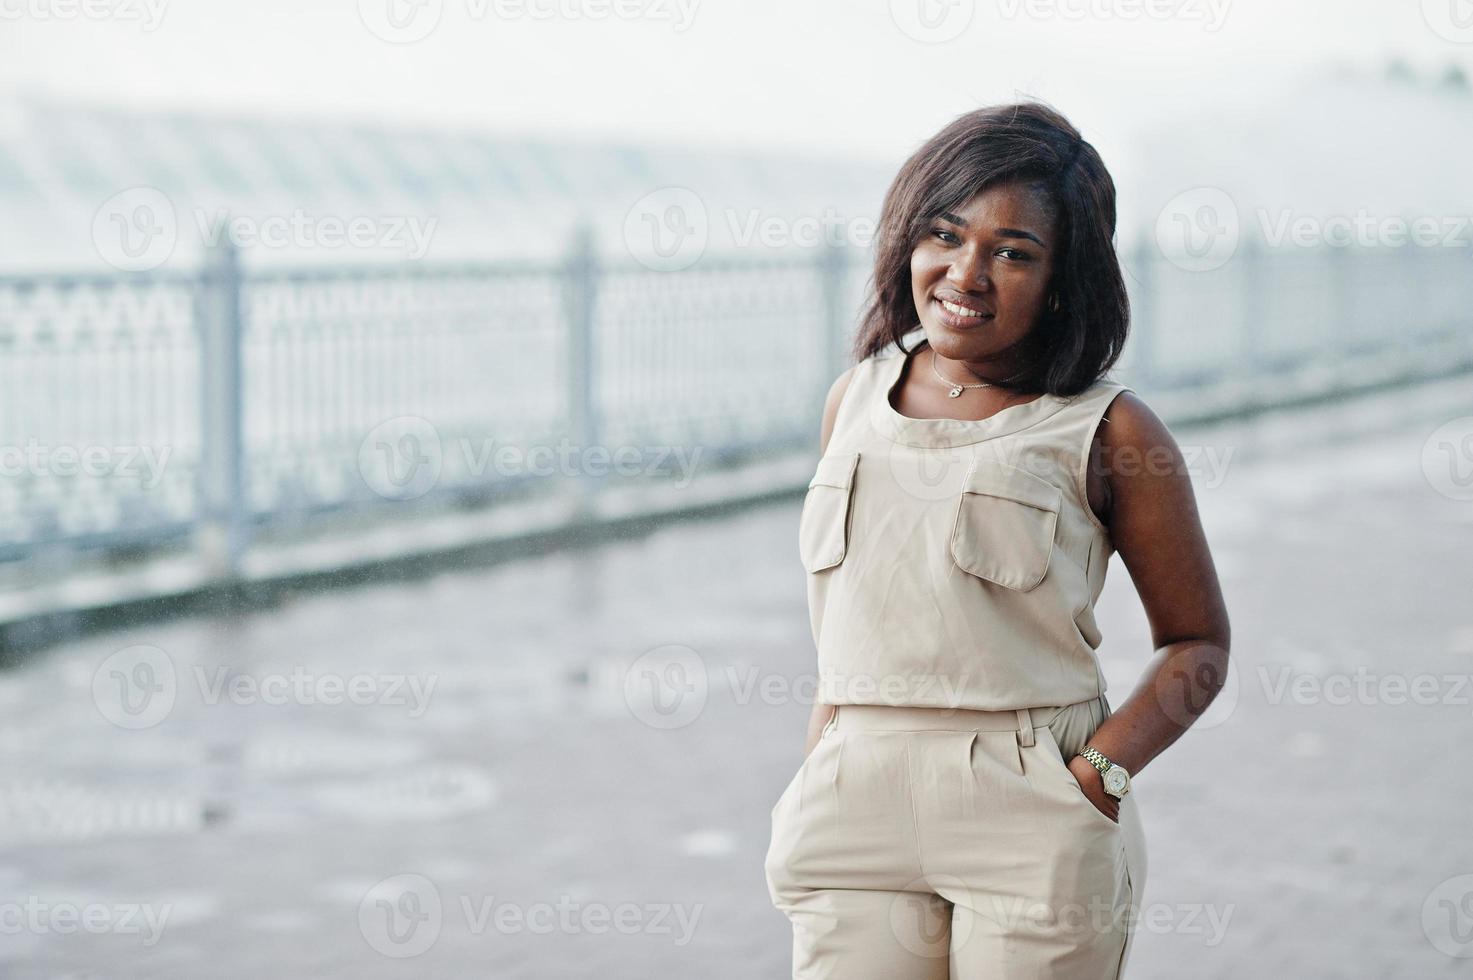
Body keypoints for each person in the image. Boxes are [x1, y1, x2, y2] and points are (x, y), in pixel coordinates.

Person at [764, 101, 1231, 978]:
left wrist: (1095, 782)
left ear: (1064, 279)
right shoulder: (853, 401)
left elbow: (1196, 645)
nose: (965, 273)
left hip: (1031, 809)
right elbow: (857, 620)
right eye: (944, 234)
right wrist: (818, 766)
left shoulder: (1111, 431)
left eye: (1012, 252)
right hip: (851, 812)